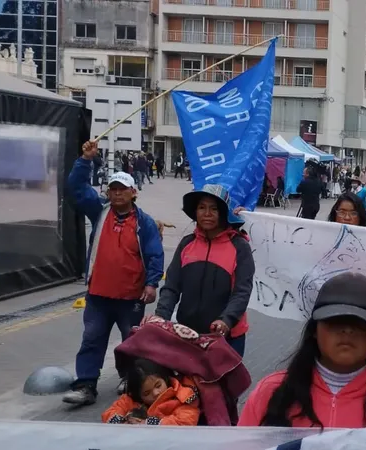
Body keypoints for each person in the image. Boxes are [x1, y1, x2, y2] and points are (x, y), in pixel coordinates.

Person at [238, 273, 366, 432]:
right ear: (314, 330)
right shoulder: (270, 393)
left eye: (360, 323)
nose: (347, 331)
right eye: (335, 321)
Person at [63, 141, 164, 406]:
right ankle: (86, 385)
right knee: (91, 339)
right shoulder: (100, 212)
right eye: (113, 189)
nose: (117, 194)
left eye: (122, 189)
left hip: (131, 298)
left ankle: (130, 380)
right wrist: (85, 160)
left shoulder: (145, 223)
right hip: (98, 295)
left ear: (133, 192)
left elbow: (155, 254)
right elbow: (76, 187)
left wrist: (152, 283)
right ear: (108, 193)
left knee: (132, 342)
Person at [155, 184, 255, 358]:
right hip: (187, 334)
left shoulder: (240, 247)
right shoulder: (187, 243)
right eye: (202, 207)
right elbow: (171, 286)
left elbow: (242, 291)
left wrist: (226, 320)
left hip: (227, 337)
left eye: (214, 208)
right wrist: (160, 316)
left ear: (223, 213)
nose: (207, 213)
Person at [102, 358, 200, 426]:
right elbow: (111, 412)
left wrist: (149, 423)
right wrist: (123, 423)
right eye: (146, 393)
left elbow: (186, 421)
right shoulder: (130, 400)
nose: (156, 393)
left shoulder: (183, 396)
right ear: (138, 395)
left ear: (165, 378)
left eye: (158, 385)